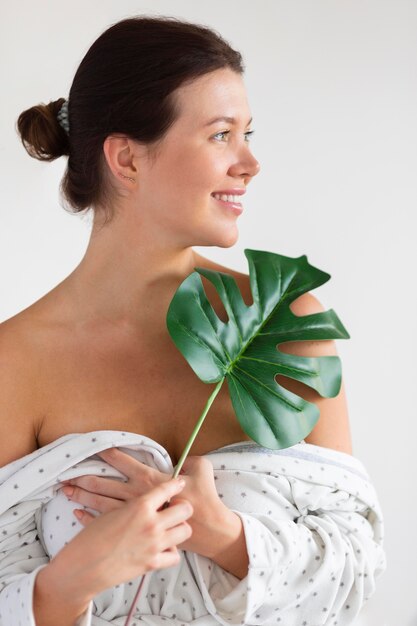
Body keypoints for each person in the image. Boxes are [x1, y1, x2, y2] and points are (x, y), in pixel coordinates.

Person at [0, 14, 385, 626]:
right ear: (126, 159)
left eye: (248, 133)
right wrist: (68, 583)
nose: (250, 162)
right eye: (221, 135)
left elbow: (357, 567)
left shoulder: (283, 320)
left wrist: (227, 538)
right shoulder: (14, 363)